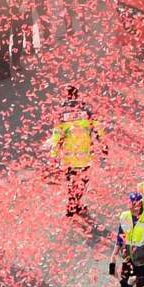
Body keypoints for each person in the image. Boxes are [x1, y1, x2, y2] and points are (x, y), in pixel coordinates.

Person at [48, 86, 104, 217]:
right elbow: (98, 128)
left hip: (68, 159)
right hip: (84, 157)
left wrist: (53, 155)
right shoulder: (87, 112)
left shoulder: (61, 115)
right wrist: (103, 144)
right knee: (82, 183)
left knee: (71, 183)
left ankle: (72, 204)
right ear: (77, 95)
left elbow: (56, 135)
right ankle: (75, 204)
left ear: (66, 96)